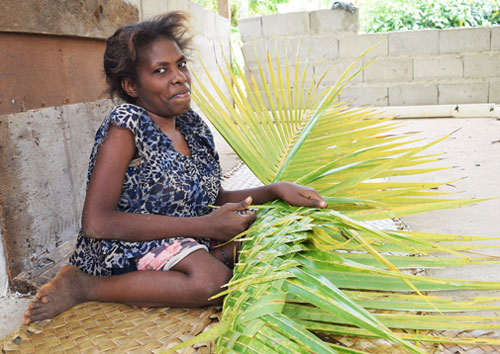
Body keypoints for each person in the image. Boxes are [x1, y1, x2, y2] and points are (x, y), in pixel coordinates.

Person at [22, 11, 327, 325]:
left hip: (186, 234)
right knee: (213, 283)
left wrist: (274, 190)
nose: (179, 76)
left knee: (272, 233)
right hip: (124, 244)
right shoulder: (127, 127)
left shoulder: (192, 125)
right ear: (131, 85)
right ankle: (85, 286)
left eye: (181, 64)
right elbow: (97, 223)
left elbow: (211, 197)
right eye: (160, 70)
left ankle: (191, 263)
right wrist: (204, 228)